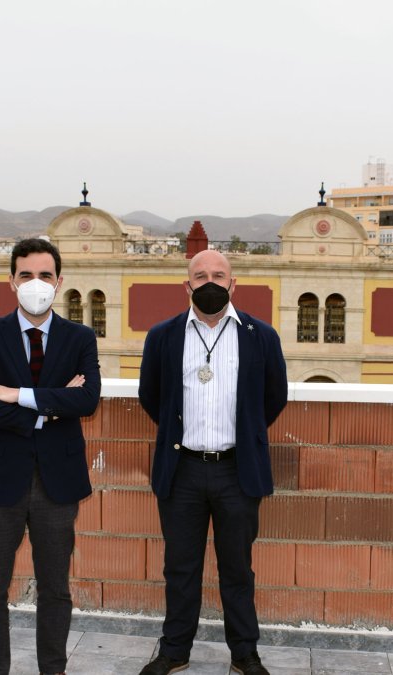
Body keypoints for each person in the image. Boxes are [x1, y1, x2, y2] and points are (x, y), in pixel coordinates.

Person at [137, 249, 288, 675]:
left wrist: (244, 435)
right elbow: (152, 396)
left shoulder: (261, 336)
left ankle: (244, 653)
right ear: (187, 286)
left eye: (218, 275)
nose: (209, 282)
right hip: (181, 470)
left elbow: (273, 398)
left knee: (237, 569)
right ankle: (174, 651)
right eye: (200, 275)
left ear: (232, 284)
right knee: (180, 567)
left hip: (237, 471)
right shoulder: (163, 336)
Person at [0, 237, 101, 675]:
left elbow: (88, 401)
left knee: (55, 588)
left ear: (59, 282)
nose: (35, 283)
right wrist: (49, 408)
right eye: (26, 275)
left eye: (45, 275)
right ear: (11, 281)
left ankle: (53, 670)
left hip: (57, 483)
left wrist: (16, 395)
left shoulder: (80, 338)